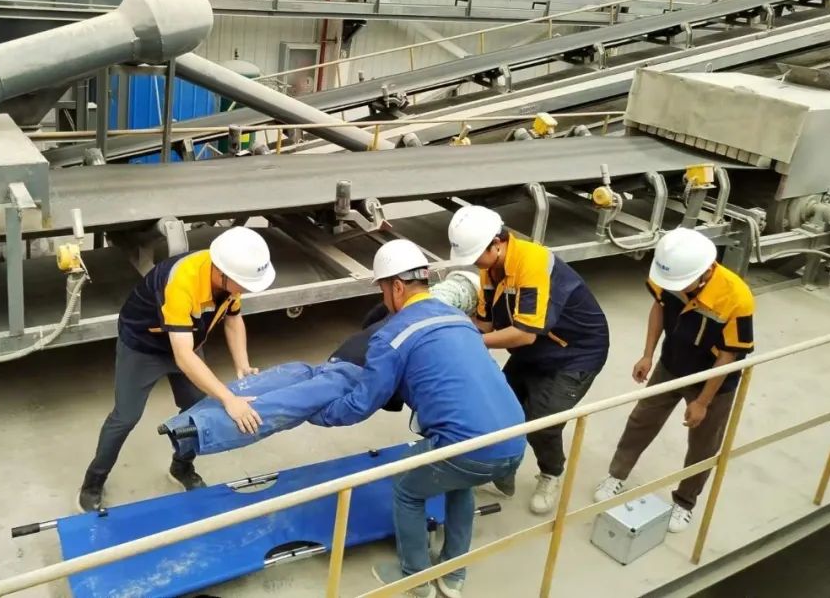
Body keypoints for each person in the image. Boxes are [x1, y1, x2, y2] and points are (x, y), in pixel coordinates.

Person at [314, 239, 525, 598]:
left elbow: (362, 404)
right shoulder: (459, 319)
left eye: (383, 290)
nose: (383, 299)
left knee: (407, 489)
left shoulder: (392, 335)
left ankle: (415, 578)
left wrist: (320, 413)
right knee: (460, 482)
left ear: (396, 287)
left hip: (468, 448)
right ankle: (453, 575)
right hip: (516, 438)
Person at [158, 269, 482, 457]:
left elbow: (373, 319)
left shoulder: (411, 302)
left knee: (281, 385)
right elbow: (386, 387)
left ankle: (189, 423)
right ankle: (196, 429)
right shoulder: (442, 328)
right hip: (354, 369)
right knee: (285, 401)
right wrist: (323, 413)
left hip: (346, 357)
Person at [76, 226, 275, 512]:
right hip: (143, 347)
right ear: (221, 273)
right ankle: (93, 482)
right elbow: (183, 358)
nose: (246, 290)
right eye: (244, 285)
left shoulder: (231, 273)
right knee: (126, 417)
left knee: (197, 411)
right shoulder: (182, 282)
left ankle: (181, 467)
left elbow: (233, 319)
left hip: (187, 342)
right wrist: (229, 398)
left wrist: (242, 364)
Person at [449, 205, 609, 516]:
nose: (473, 263)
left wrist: (469, 342)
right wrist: (451, 327)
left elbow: (523, 335)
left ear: (497, 243)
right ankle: (503, 473)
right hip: (535, 351)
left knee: (541, 423)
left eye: (476, 255)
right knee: (500, 407)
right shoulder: (490, 268)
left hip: (574, 355)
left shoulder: (532, 263)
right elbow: (486, 325)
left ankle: (551, 474)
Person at [593, 227, 754, 533]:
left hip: (712, 380)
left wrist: (703, 402)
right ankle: (617, 474)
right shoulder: (667, 274)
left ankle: (685, 503)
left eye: (682, 285)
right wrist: (647, 355)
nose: (675, 289)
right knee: (641, 420)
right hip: (671, 365)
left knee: (703, 444)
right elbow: (659, 307)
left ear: (705, 272)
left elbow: (728, 356)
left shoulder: (736, 298)